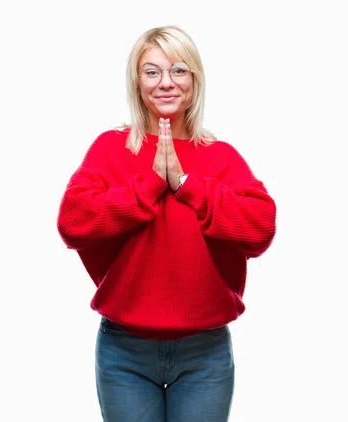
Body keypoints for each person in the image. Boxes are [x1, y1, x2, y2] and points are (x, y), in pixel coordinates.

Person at [56, 25, 276, 422]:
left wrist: (187, 184)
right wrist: (153, 183)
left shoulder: (220, 156)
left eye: (178, 70)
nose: (165, 83)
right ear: (136, 81)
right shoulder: (111, 148)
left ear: (194, 79)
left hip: (204, 351)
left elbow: (260, 229)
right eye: (151, 71)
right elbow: (73, 221)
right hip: (124, 349)